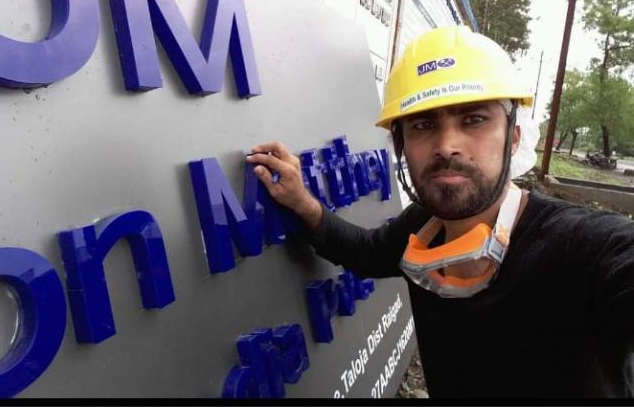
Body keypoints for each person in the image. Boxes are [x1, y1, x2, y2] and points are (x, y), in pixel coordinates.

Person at [246, 25, 634, 398]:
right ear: (401, 144)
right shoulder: (424, 226)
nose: (447, 145)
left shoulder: (588, 248)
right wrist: (302, 201)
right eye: (423, 124)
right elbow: (363, 252)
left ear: (514, 138)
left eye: (473, 119)